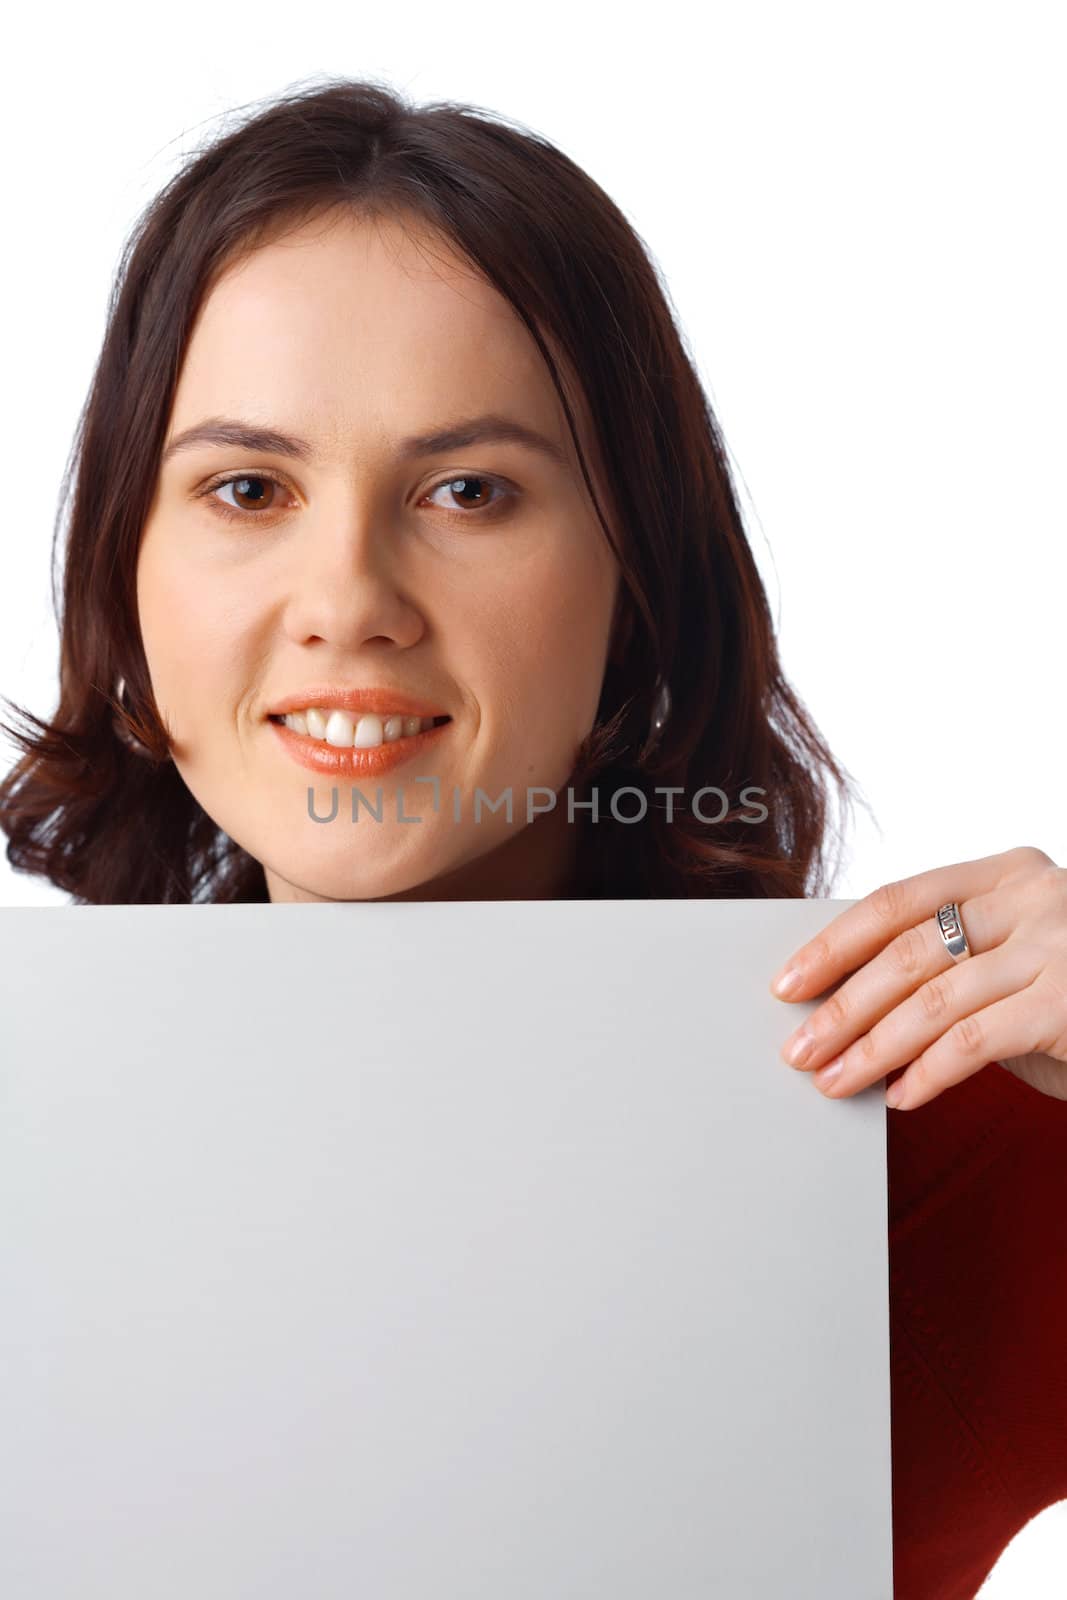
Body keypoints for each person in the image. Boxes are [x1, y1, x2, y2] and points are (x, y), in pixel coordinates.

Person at [1, 77, 1065, 1598]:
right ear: (122, 567)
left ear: (637, 571)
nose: (349, 595)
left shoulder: (953, 1148)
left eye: (469, 490)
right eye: (248, 487)